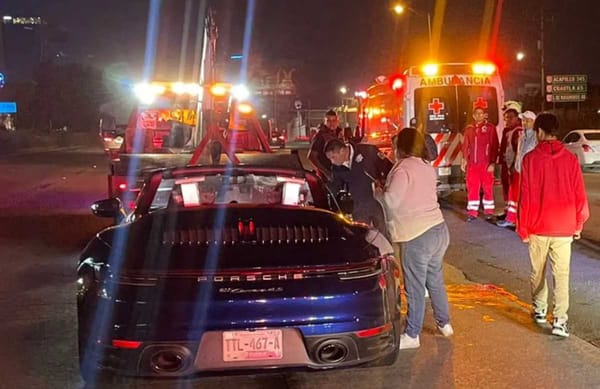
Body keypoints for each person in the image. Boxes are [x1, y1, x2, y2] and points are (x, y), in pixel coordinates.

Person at [374, 128, 453, 350]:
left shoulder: (403, 168)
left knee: (415, 287)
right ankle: (444, 323)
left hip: (417, 235)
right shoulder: (425, 166)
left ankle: (412, 334)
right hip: (438, 229)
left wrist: (378, 193)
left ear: (403, 146)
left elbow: (391, 202)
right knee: (434, 280)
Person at [517, 113, 589, 338]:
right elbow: (579, 194)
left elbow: (526, 196)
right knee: (561, 274)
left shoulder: (530, 159)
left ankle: (539, 310)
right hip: (565, 227)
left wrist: (523, 227)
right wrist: (578, 223)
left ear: (539, 132)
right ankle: (559, 320)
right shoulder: (570, 159)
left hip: (538, 226)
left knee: (538, 272)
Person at [324, 138, 392, 234]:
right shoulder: (336, 168)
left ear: (342, 151)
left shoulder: (367, 151)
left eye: (333, 157)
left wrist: (385, 185)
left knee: (383, 235)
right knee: (362, 238)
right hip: (358, 207)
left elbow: (388, 169)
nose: (332, 162)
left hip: (377, 203)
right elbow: (335, 187)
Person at [497, 110, 536, 228]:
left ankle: (526, 220)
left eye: (528, 120)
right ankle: (511, 218)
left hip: (529, 172)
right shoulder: (522, 135)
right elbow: (518, 153)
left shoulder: (536, 137)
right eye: (524, 120)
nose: (525, 123)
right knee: (513, 194)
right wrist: (514, 166)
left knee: (527, 197)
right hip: (518, 170)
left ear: (534, 122)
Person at [461, 107, 499, 221]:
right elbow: (465, 146)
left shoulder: (490, 128)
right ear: (473, 115)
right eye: (476, 114)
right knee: (472, 189)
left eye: (481, 113)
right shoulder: (469, 129)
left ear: (484, 115)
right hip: (473, 165)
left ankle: (489, 212)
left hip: (486, 164)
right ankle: (472, 213)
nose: (479, 116)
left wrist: (493, 163)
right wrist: (464, 160)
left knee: (488, 188)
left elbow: (494, 146)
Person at [498, 108, 522, 218]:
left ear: (517, 118)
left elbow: (518, 150)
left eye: (511, 118)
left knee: (513, 189)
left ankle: (514, 214)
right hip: (505, 164)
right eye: (506, 118)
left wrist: (513, 165)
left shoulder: (518, 131)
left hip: (513, 166)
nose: (508, 120)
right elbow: (503, 148)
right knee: (506, 188)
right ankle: (508, 210)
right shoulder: (506, 131)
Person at [308, 110, 343, 181]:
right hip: (326, 177)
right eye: (329, 121)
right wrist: (326, 173)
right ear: (325, 122)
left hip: (339, 173)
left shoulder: (339, 134)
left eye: (334, 120)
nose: (332, 123)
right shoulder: (321, 136)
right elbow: (311, 156)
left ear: (337, 121)